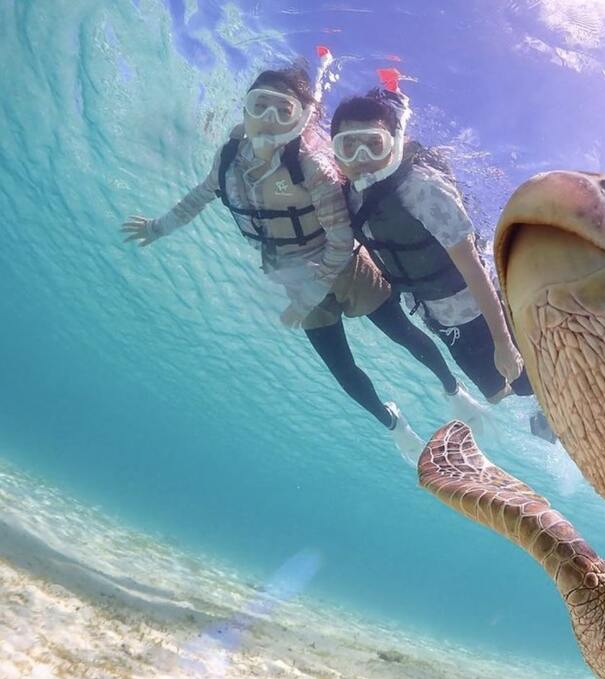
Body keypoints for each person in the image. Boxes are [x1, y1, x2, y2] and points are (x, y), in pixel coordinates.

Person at [121, 54, 484, 463]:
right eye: (260, 105)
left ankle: (453, 390)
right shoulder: (228, 160)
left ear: (299, 118)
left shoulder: (312, 167)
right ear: (245, 108)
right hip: (292, 278)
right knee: (341, 368)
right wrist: (158, 227)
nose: (269, 119)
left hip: (346, 269)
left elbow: (341, 240)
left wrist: (312, 292)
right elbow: (199, 197)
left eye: (283, 110)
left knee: (403, 334)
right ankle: (395, 426)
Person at [329, 74, 554, 441]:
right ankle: (541, 406)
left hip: (479, 309)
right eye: (348, 147)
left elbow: (474, 269)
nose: (361, 159)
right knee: (497, 393)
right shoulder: (353, 196)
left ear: (394, 143)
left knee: (525, 377)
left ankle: (558, 403)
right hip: (439, 318)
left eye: (373, 144)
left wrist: (502, 342)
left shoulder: (423, 189)